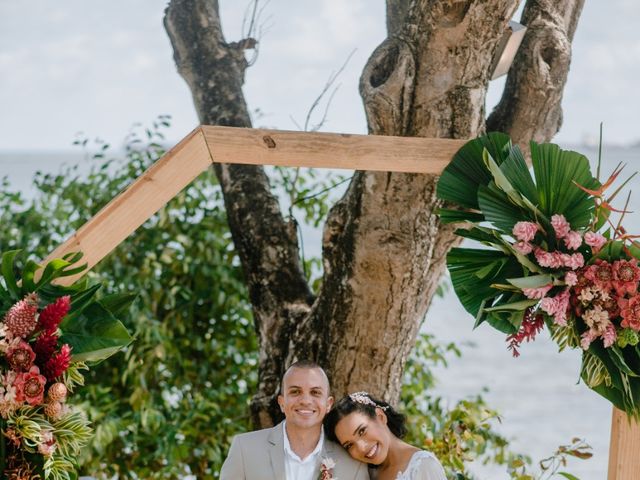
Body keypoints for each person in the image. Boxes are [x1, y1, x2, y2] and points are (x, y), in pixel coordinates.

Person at [220, 360, 369, 480]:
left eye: (315, 392)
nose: (305, 400)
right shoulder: (244, 449)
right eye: (295, 392)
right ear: (282, 403)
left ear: (328, 404)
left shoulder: (353, 462)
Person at [323, 392, 446, 480]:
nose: (361, 448)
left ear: (381, 417)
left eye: (362, 431)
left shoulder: (424, 465)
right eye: (349, 445)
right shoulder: (368, 472)